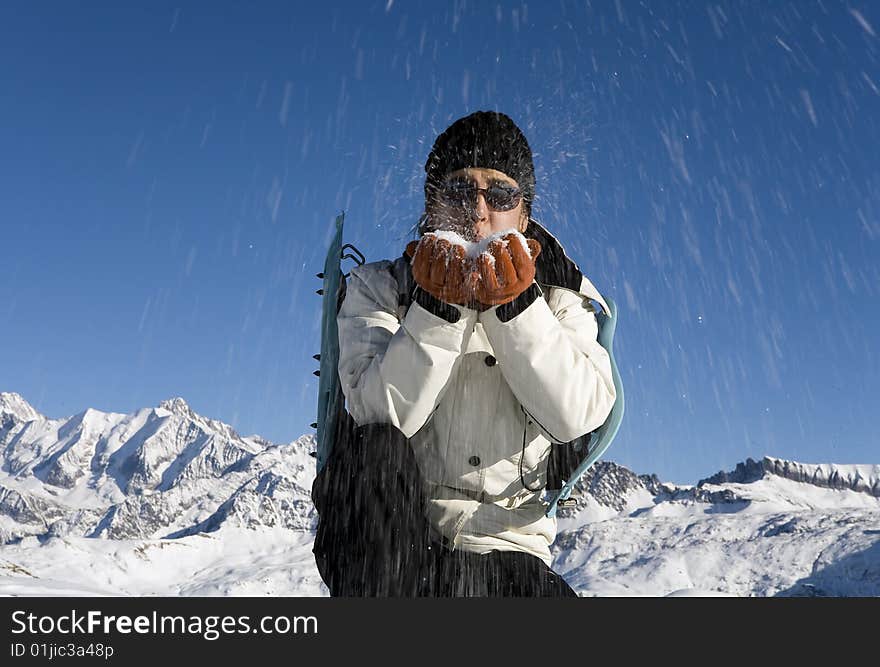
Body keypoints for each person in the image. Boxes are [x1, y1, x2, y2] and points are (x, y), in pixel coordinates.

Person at [311, 110, 616, 597]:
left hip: (513, 549)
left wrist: (515, 307)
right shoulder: (380, 289)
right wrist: (436, 307)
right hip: (396, 543)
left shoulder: (561, 299)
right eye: (459, 191)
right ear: (433, 205)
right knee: (373, 451)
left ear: (524, 213)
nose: (478, 211)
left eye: (499, 195)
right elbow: (376, 415)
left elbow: (577, 413)